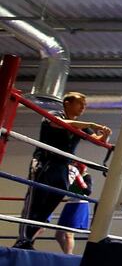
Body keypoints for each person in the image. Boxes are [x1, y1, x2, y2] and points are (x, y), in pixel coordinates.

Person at [14, 92, 111, 250]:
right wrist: (91, 124)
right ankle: (23, 239)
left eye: (85, 105)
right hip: (45, 162)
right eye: (80, 104)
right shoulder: (53, 114)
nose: (83, 108)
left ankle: (29, 240)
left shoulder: (80, 125)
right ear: (67, 103)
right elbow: (59, 123)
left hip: (63, 166)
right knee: (35, 201)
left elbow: (96, 140)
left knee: (53, 200)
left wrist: (104, 136)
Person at [55, 162, 92, 254]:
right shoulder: (68, 175)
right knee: (58, 235)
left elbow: (88, 191)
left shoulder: (86, 176)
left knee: (69, 234)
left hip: (80, 204)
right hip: (69, 203)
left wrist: (80, 181)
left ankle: (68, 256)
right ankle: (68, 254)